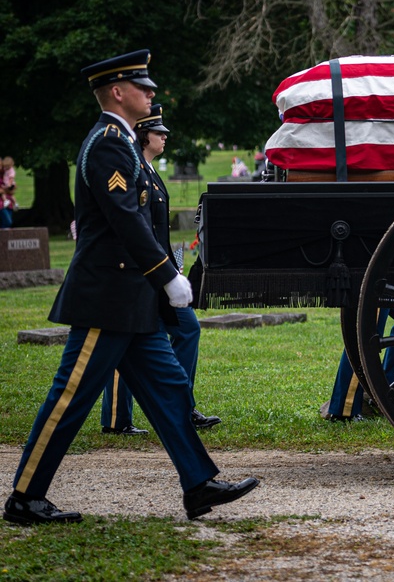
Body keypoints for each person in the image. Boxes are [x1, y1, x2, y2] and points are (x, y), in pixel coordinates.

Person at [3, 50, 257, 526]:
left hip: (131, 300)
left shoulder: (118, 141)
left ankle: (198, 483)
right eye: (143, 87)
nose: (152, 93)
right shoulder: (108, 143)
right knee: (70, 397)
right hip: (108, 298)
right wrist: (167, 274)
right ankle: (24, 496)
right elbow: (124, 220)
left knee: (170, 391)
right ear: (117, 92)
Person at [101, 104, 221, 435]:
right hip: (137, 275)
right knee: (122, 341)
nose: (165, 137)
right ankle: (116, 418)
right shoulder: (133, 170)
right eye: (159, 133)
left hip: (159, 274)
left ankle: (181, 409)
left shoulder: (151, 173)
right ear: (143, 136)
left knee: (187, 329)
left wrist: (173, 271)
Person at [1, 156, 16, 228]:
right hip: (1, 205)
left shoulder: (5, 174)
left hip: (8, 202)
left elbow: (12, 191)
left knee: (6, 225)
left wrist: (9, 189)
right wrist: (6, 190)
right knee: (8, 222)